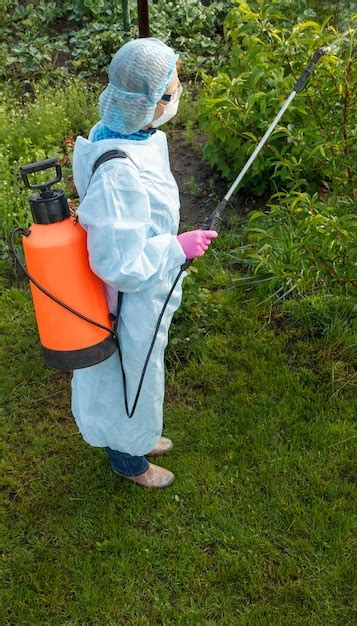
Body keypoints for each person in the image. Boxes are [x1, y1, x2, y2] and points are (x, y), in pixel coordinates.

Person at [71, 38, 217, 488]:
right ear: (152, 101)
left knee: (141, 370)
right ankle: (129, 459)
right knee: (130, 375)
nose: (180, 92)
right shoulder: (119, 172)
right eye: (174, 88)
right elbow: (118, 263)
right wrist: (176, 247)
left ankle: (137, 435)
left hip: (149, 289)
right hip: (131, 298)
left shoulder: (124, 134)